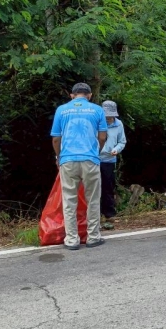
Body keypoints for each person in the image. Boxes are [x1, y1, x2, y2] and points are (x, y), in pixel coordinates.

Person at [50, 82, 108, 250]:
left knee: (69, 201)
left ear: (72, 95)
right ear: (89, 95)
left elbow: (56, 138)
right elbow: (102, 137)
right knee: (93, 200)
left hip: (68, 160)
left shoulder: (61, 110)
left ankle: (71, 240)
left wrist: (58, 156)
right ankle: (93, 237)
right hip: (90, 159)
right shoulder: (97, 110)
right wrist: (96, 152)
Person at [99, 100, 127, 230]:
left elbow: (122, 141)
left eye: (110, 115)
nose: (108, 118)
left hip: (109, 160)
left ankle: (109, 214)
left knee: (108, 186)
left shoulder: (118, 124)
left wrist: (116, 149)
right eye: (106, 115)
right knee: (94, 187)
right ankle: (95, 214)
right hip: (95, 158)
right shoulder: (97, 122)